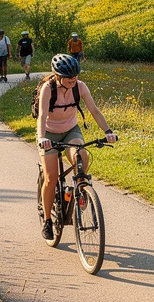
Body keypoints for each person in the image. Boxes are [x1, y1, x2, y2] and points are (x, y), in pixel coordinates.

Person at [37, 54, 117, 240]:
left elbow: (94, 110)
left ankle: (80, 191)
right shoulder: (48, 88)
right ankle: (47, 220)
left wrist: (108, 131)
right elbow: (41, 115)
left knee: (81, 156)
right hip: (49, 133)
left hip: (71, 130)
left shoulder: (80, 87)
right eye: (69, 77)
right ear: (58, 76)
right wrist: (42, 138)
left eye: (75, 76)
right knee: (51, 178)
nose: (73, 80)